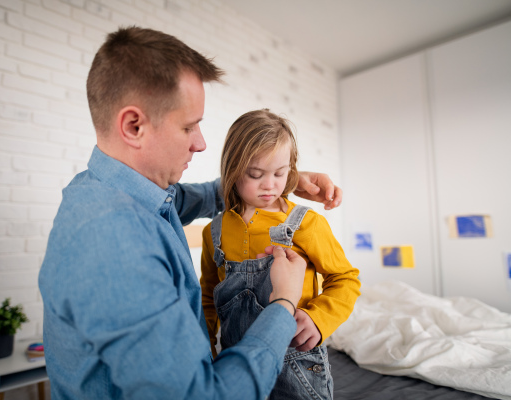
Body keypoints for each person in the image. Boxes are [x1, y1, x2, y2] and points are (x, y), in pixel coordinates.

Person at [39, 26, 343, 399]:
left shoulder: (121, 192)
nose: (200, 143)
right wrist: (283, 303)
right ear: (134, 126)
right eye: (189, 126)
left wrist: (276, 179)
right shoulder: (115, 241)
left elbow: (191, 197)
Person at [200, 109, 361, 400]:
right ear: (232, 169)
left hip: (298, 365)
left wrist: (319, 319)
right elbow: (208, 297)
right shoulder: (214, 231)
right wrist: (205, 347)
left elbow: (346, 279)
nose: (270, 184)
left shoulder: (307, 223)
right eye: (255, 174)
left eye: (280, 173)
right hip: (238, 364)